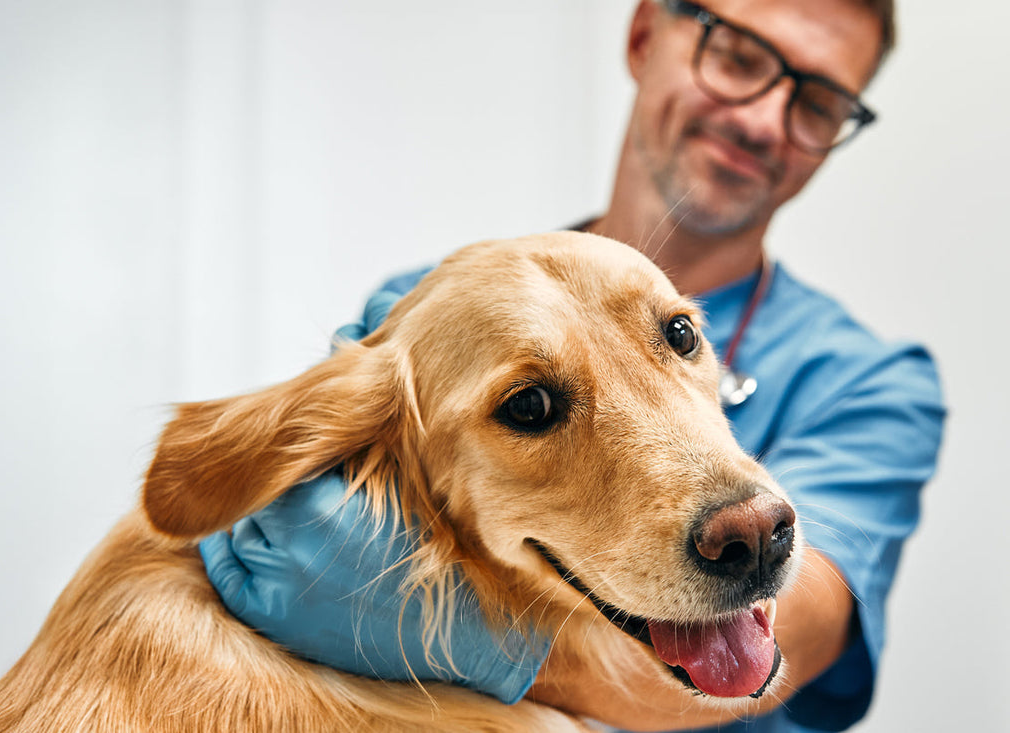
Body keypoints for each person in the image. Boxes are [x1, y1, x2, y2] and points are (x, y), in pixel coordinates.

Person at [198, 0, 945, 730]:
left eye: (817, 102)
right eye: (739, 56)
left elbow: (803, 631)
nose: (759, 120)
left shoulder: (872, 383)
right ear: (647, 34)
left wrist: (431, 632)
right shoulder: (420, 318)